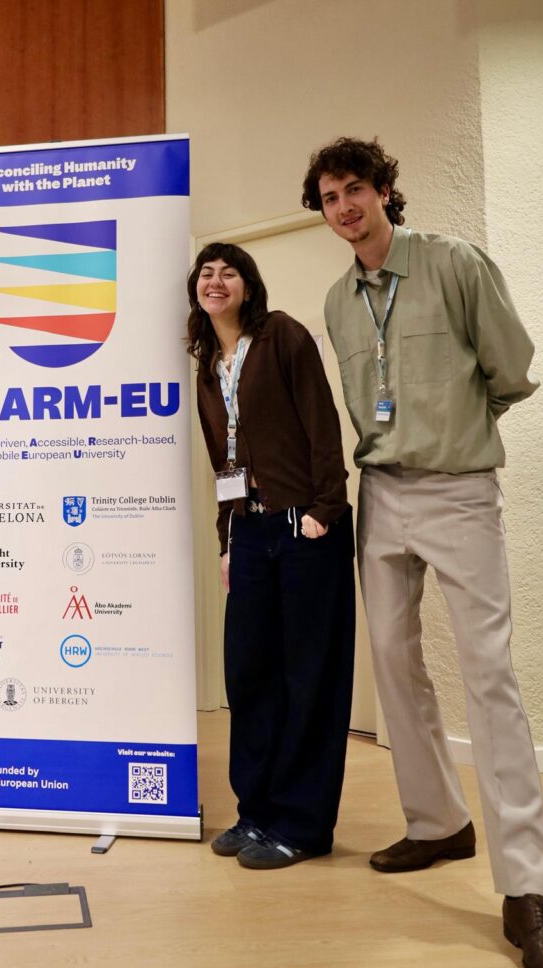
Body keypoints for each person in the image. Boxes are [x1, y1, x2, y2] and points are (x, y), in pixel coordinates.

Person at [302, 136, 543, 968]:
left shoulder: (449, 263)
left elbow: (511, 368)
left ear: (382, 192)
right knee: (391, 661)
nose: (343, 206)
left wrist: (454, 431)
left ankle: (528, 888)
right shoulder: (339, 301)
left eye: (354, 189)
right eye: (329, 196)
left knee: (489, 674)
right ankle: (437, 818)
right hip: (384, 492)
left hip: (456, 489)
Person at [187, 242, 355, 869]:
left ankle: (302, 825)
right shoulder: (208, 365)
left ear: (249, 286)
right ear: (195, 293)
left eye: (229, 271)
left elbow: (321, 421)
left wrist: (324, 511)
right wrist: (229, 540)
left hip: (305, 526)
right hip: (251, 535)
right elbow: (221, 462)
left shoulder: (282, 336)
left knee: (307, 678)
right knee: (250, 676)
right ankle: (256, 811)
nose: (216, 280)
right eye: (206, 273)